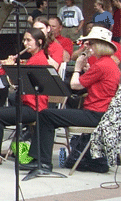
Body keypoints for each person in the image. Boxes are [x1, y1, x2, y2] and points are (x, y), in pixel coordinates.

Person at [24, 26, 120, 171]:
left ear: (99, 45)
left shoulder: (101, 65)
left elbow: (75, 85)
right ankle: (40, 159)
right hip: (102, 113)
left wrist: (77, 68)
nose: (87, 47)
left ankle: (42, 161)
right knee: (47, 115)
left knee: (46, 115)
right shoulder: (109, 63)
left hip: (96, 114)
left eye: (90, 43)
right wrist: (88, 71)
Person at [0, 28, 51, 166]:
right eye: (24, 40)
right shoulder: (33, 58)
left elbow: (21, 83)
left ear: (39, 42)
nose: (25, 43)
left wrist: (10, 68)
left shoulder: (38, 60)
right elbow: (17, 84)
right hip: (27, 105)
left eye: (29, 40)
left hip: (35, 107)